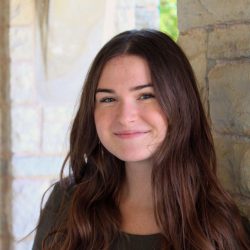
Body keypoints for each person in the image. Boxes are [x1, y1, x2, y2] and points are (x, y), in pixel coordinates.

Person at [32, 29, 250, 250]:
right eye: (108, 99)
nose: (125, 118)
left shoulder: (219, 228)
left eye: (146, 96)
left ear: (180, 102)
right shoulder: (66, 203)